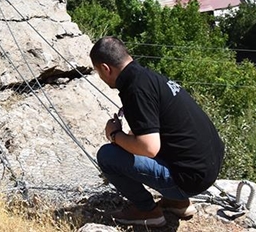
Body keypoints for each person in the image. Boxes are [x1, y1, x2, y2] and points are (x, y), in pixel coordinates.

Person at [90, 36, 224, 227]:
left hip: (190, 179)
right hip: (207, 167)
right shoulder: (148, 76)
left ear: (105, 68)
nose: (102, 78)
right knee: (134, 143)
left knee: (108, 156)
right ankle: (177, 202)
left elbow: (149, 148)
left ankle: (146, 211)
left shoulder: (135, 90)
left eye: (99, 73)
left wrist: (114, 135)